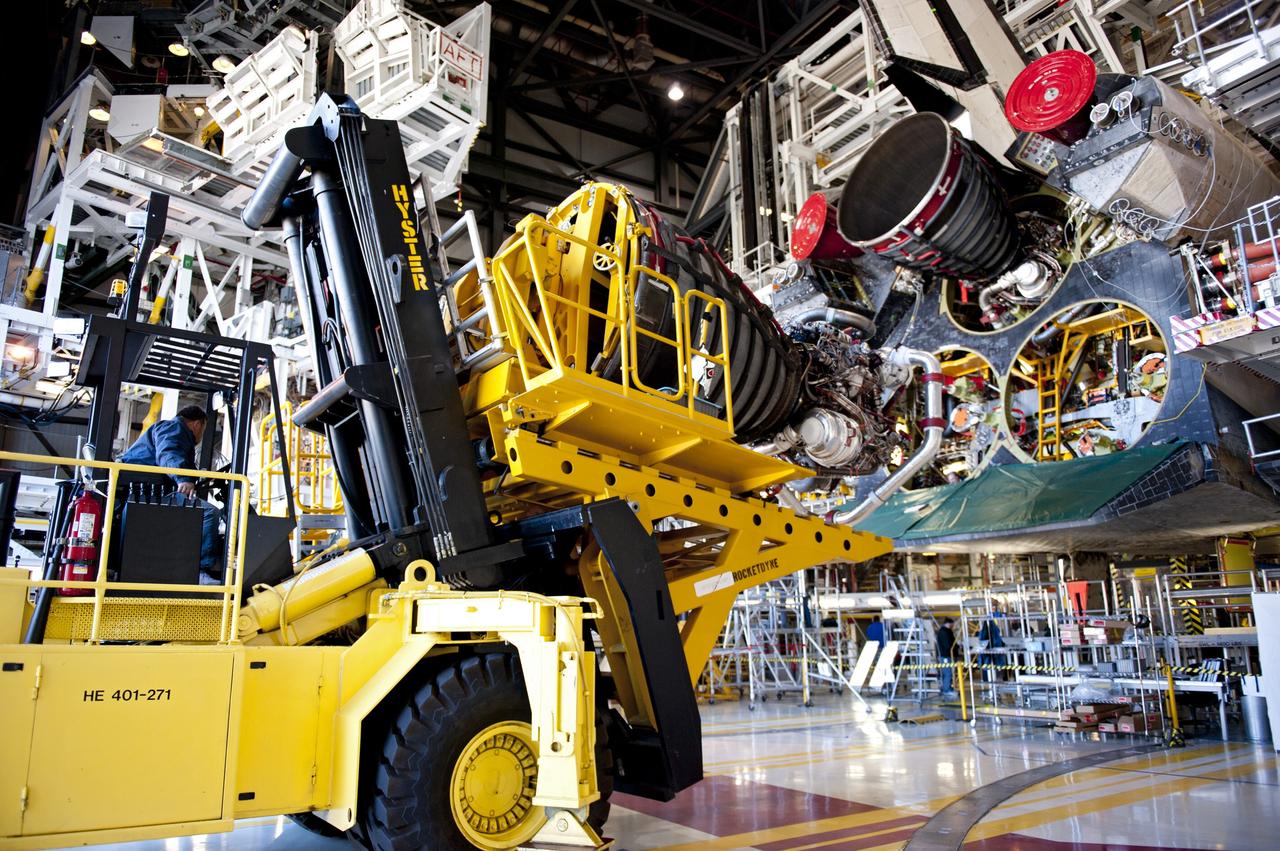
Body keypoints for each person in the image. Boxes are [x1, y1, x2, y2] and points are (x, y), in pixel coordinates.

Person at [119, 405, 221, 577]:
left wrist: (195, 477)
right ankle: (202, 570)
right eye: (203, 429)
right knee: (209, 513)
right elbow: (168, 453)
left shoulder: (173, 432)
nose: (201, 435)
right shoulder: (174, 428)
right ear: (197, 424)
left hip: (148, 490)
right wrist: (183, 478)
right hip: (150, 492)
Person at [936, 618, 957, 695]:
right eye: (952, 624)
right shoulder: (944, 632)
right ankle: (946, 690)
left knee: (948, 672)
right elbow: (948, 645)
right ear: (949, 623)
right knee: (947, 673)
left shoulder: (946, 631)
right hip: (945, 656)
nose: (953, 626)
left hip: (946, 655)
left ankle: (947, 687)